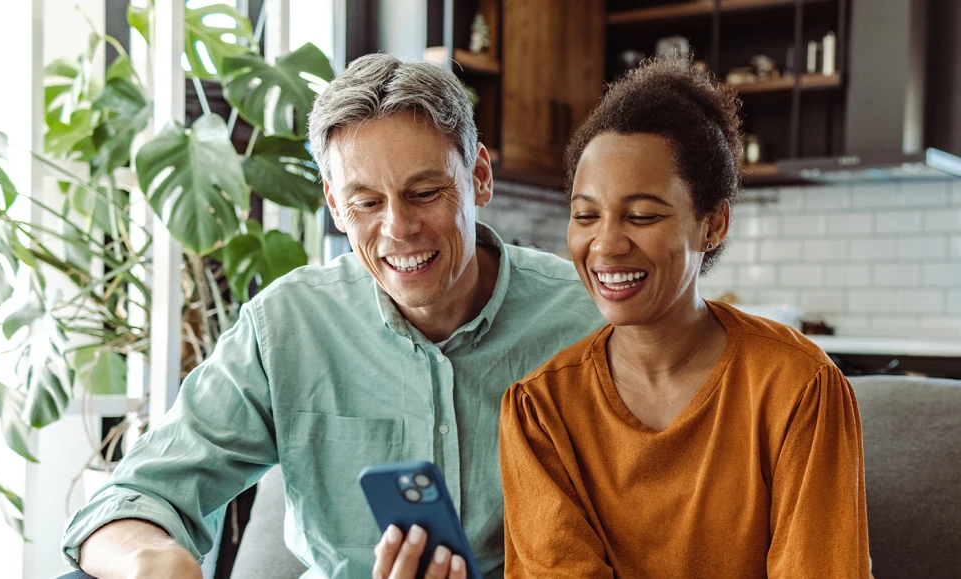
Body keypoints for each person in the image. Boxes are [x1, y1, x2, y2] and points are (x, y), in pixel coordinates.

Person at [60, 54, 604, 579]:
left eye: (424, 192)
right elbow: (133, 497)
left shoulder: (585, 318)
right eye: (366, 203)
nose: (398, 227)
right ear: (335, 205)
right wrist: (151, 560)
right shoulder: (287, 326)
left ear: (478, 176)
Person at [498, 57, 871, 578]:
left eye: (643, 215)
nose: (605, 243)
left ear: (713, 224)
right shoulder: (540, 411)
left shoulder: (799, 388)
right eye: (585, 215)